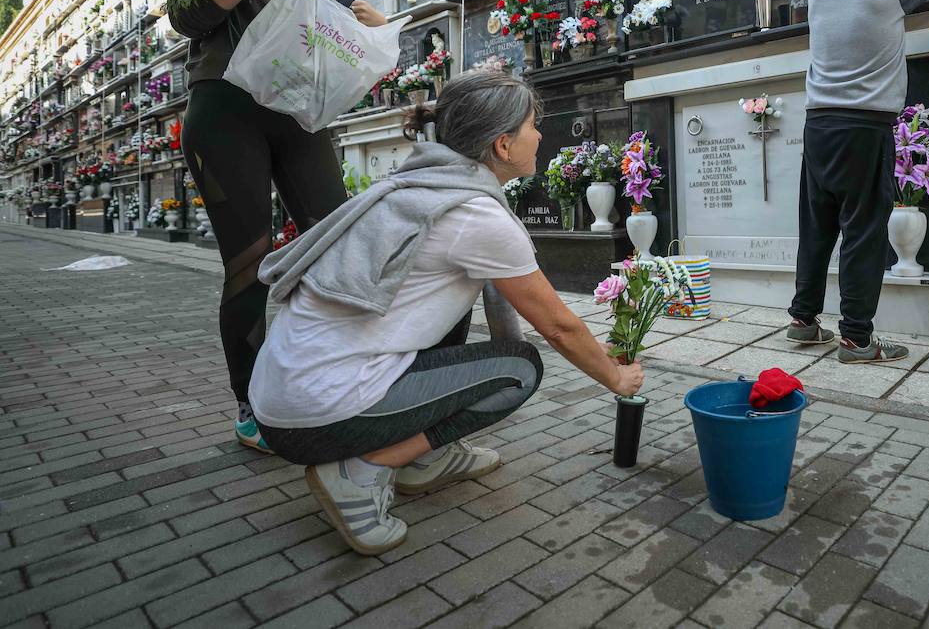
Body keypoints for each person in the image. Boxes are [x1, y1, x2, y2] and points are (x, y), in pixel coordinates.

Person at [249, 71, 644, 555]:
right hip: (316, 416)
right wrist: (615, 379)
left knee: (455, 312)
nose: (539, 134)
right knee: (517, 369)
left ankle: (424, 461)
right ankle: (363, 471)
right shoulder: (475, 217)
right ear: (502, 145)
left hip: (277, 401)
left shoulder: (418, 188)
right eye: (531, 125)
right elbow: (560, 327)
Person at [169, 0, 390, 453]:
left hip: (296, 113)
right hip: (225, 111)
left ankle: (328, 382)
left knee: (333, 243)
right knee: (248, 264)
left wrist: (369, 21)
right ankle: (252, 405)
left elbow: (348, 26)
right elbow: (184, 18)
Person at [785, 0, 929, 363]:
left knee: (817, 226)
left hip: (818, 125)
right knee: (862, 232)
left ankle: (803, 319)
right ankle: (857, 337)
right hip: (864, 127)